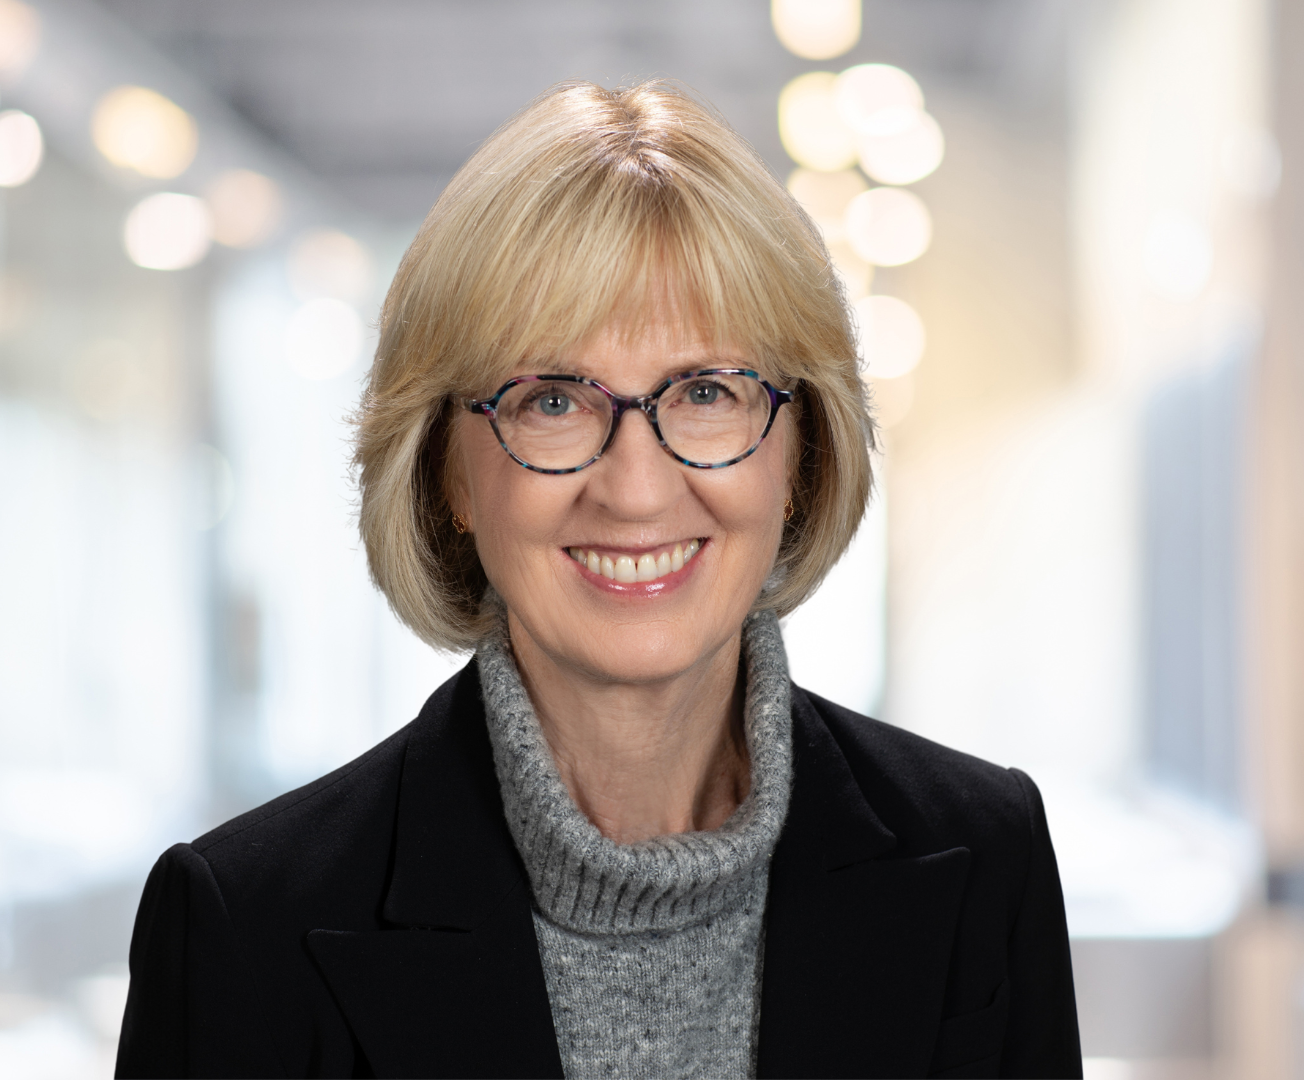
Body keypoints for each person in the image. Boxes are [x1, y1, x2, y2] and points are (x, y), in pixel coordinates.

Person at [116, 79, 1081, 1080]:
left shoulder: (984, 861)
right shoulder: (244, 928)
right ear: (448, 470)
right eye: (552, 402)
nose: (633, 488)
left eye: (707, 391)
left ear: (801, 454)